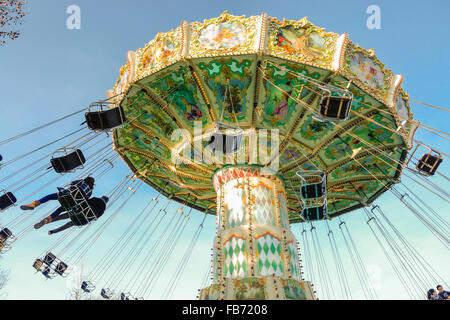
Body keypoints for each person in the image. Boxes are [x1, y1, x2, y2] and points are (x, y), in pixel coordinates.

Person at [34, 196, 109, 235]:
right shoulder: (103, 209)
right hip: (83, 220)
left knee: (63, 216)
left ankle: (46, 221)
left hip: (78, 212)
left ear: (102, 197)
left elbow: (85, 202)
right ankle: (54, 231)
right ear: (106, 202)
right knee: (69, 224)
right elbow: (96, 218)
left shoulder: (95, 199)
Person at [20, 177, 95, 210]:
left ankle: (33, 204)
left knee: (50, 196)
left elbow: (72, 183)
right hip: (74, 203)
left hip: (67, 195)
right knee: (60, 209)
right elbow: (86, 199)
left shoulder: (82, 181)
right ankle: (48, 219)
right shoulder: (90, 191)